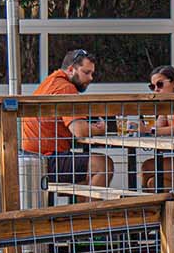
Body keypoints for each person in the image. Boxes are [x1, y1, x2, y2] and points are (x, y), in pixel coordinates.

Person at [22, 49, 114, 189]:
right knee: (103, 165)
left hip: (31, 158)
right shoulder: (66, 88)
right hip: (45, 160)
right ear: (71, 70)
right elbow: (79, 130)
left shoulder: (51, 82)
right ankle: (91, 211)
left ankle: (79, 210)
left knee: (85, 177)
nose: (91, 78)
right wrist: (101, 128)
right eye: (86, 72)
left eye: (92, 73)